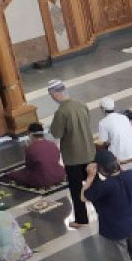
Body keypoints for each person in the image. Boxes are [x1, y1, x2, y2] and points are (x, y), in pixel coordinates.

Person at [47, 79, 95, 229]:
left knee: (76, 190)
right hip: (89, 152)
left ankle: (81, 220)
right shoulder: (81, 104)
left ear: (54, 94)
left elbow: (56, 133)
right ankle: (106, 212)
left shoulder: (62, 111)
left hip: (73, 157)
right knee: (95, 185)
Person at [6, 123, 66, 189]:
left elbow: (29, 167)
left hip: (42, 180)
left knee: (14, 175)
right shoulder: (52, 144)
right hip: (59, 175)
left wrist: (27, 148)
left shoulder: (31, 148)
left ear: (30, 134)